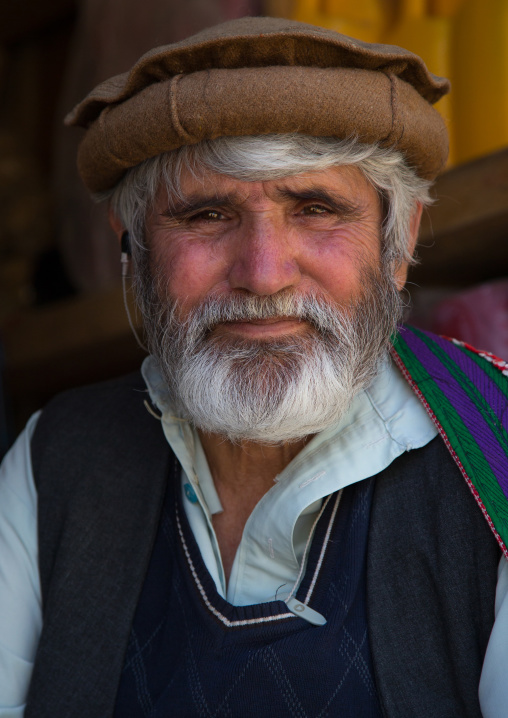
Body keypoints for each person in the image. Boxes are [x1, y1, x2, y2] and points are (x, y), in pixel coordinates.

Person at [0, 16, 507, 718]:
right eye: (207, 214)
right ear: (135, 248)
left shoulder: (498, 451)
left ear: (400, 239)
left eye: (316, 208)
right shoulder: (55, 459)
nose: (264, 274)